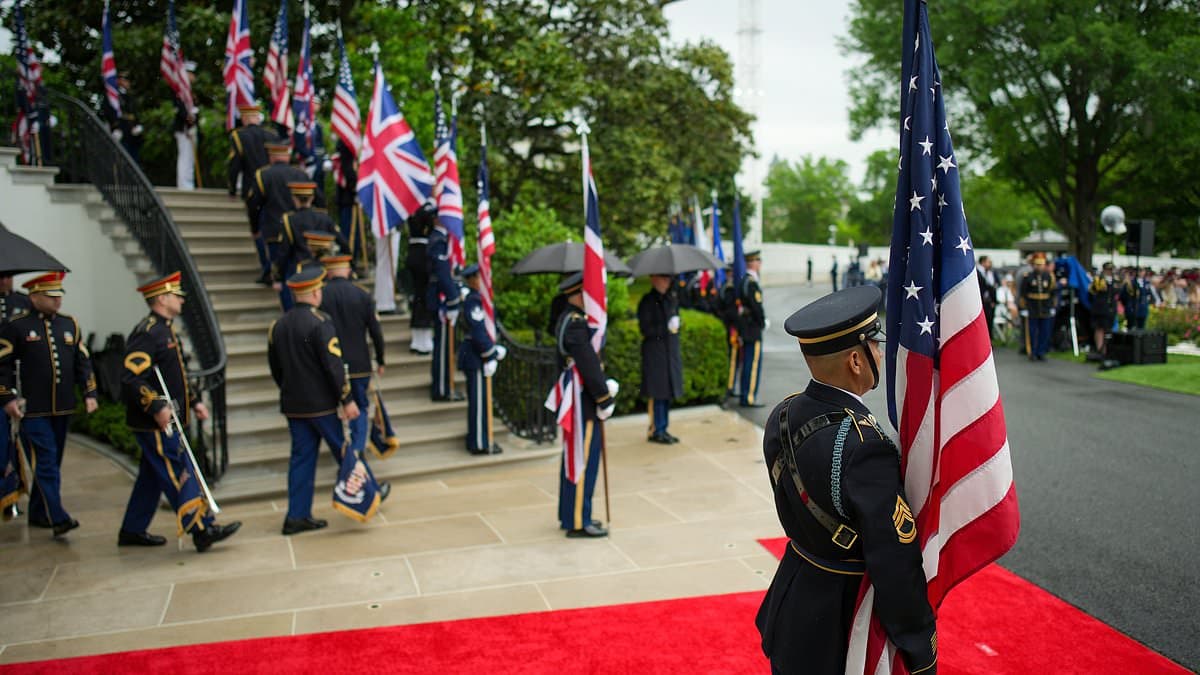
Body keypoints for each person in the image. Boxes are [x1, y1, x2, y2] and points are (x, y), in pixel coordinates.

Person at [756, 285, 937, 675]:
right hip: (841, 616)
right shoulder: (864, 446)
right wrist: (919, 644)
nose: (879, 353)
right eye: (874, 345)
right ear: (856, 360)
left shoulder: (783, 414)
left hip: (795, 596)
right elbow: (894, 562)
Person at [117, 272, 242, 552]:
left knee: (151, 477)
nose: (182, 300)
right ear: (162, 298)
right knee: (178, 474)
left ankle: (132, 529)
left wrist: (194, 401)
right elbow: (131, 378)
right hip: (156, 423)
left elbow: (178, 375)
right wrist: (157, 406)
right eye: (177, 295)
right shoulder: (148, 332)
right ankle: (202, 528)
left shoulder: (166, 329)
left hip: (169, 417)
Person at [267, 263, 364, 535]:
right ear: (314, 293)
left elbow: (275, 369)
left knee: (301, 458)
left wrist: (289, 390)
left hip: (294, 406)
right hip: (321, 405)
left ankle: (296, 515)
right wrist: (346, 399)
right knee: (343, 452)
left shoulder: (278, 326)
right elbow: (334, 367)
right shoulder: (321, 324)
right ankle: (367, 493)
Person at [0, 272, 98, 536]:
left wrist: (90, 393)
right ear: (34, 297)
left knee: (52, 462)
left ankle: (39, 513)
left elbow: (83, 361)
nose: (57, 301)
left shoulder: (69, 325)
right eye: (50, 296)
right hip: (33, 409)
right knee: (45, 462)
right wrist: (7, 397)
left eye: (59, 296)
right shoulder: (16, 326)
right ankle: (58, 517)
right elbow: (2, 365)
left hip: (63, 406)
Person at [551, 273, 616, 538]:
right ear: (579, 295)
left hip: (577, 398)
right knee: (582, 460)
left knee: (574, 458)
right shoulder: (576, 324)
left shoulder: (567, 318)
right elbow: (588, 364)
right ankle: (579, 519)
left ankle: (570, 513)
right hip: (583, 401)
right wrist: (604, 396)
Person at [318, 255, 386, 460]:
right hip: (359, 364)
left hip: (331, 364)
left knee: (335, 409)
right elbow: (375, 330)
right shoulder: (362, 295)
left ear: (328, 271)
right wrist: (381, 358)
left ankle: (344, 451)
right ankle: (357, 448)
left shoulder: (321, 295)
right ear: (347, 271)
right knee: (361, 406)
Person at [274, 181, 348, 309]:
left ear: (294, 199)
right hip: (326, 269)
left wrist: (277, 276)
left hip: (300, 270)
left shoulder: (290, 220)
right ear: (312, 198)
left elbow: (283, 251)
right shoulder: (324, 217)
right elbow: (343, 243)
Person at [457, 264, 506, 455]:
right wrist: (490, 353)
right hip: (476, 357)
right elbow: (477, 331)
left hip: (479, 356)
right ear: (472, 280)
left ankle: (481, 438)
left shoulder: (480, 299)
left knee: (482, 401)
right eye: (481, 277)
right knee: (478, 403)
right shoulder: (474, 301)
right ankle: (479, 442)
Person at [227, 104, 279, 282]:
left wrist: (232, 188)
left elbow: (235, 164)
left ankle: (267, 268)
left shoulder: (239, 136)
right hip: (274, 188)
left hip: (252, 190)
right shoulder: (271, 135)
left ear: (244, 118)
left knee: (257, 231)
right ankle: (272, 267)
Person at [248, 142, 310, 286]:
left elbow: (254, 204)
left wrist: (255, 227)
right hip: (300, 229)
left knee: (280, 271)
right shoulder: (300, 174)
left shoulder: (263, 175)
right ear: (287, 156)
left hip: (274, 229)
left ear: (271, 157)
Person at [0, 274, 31, 519]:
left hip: (13, 380)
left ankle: (10, 494)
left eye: (7, 277)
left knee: (12, 441)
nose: (4, 282)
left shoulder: (23, 302)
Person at [638, 274, 683, 444]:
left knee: (667, 392)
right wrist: (665, 327)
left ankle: (664, 427)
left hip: (669, 352)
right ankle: (656, 429)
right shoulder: (648, 301)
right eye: (664, 278)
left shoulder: (671, 298)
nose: (667, 282)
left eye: (668, 279)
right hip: (655, 353)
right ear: (654, 279)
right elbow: (646, 328)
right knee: (657, 392)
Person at [427, 218, 462, 401]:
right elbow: (442, 273)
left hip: (444, 299)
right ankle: (442, 389)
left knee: (446, 347)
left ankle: (445, 385)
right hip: (442, 301)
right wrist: (453, 298)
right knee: (442, 349)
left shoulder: (443, 240)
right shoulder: (438, 241)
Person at [405, 204, 436, 353]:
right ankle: (423, 341)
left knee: (418, 297)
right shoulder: (426, 208)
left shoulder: (412, 206)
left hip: (413, 252)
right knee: (423, 297)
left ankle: (418, 340)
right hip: (422, 254)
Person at [738, 251, 767, 407]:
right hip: (753, 328)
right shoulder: (752, 282)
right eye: (758, 261)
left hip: (746, 326)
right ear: (753, 263)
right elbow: (757, 306)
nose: (760, 264)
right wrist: (762, 321)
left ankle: (744, 393)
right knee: (753, 363)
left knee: (748, 362)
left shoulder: (744, 280)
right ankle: (748, 396)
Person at [1019, 253, 1057, 361]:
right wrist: (1024, 308)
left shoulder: (1049, 277)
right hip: (1032, 307)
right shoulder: (1028, 277)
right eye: (1037, 264)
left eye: (1041, 264)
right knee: (1032, 332)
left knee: (1044, 331)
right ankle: (1032, 352)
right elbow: (1023, 293)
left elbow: (1052, 292)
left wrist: (1052, 306)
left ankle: (1041, 351)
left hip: (1045, 307)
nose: (1039, 267)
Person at [173, 62, 199, 190]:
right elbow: (182, 111)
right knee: (185, 157)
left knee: (190, 158)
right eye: (191, 74)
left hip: (190, 128)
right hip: (184, 129)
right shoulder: (181, 90)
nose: (193, 77)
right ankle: (184, 184)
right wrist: (189, 125)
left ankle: (189, 182)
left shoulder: (189, 91)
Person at [107, 72, 143, 164]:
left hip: (133, 133)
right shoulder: (114, 96)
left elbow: (135, 113)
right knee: (123, 160)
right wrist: (115, 127)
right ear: (119, 81)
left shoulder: (130, 96)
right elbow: (111, 112)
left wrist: (138, 125)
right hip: (122, 131)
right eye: (125, 80)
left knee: (134, 159)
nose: (127, 83)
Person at [1088, 262, 1120, 354]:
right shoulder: (1098, 280)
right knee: (1099, 328)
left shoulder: (1115, 280)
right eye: (1108, 269)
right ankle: (1100, 348)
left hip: (1110, 308)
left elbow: (1117, 292)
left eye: (1111, 269)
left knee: (1108, 329)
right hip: (1100, 308)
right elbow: (1092, 292)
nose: (1110, 271)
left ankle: (1107, 348)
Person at [976, 255, 998, 340]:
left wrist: (993, 300)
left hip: (990, 302)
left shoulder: (991, 273)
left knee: (990, 322)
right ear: (983, 262)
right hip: (981, 301)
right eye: (988, 262)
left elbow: (993, 287)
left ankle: (989, 340)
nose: (990, 264)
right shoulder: (977, 272)